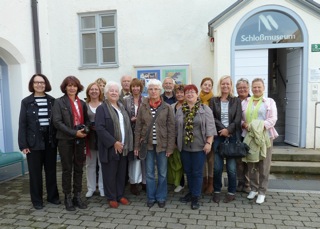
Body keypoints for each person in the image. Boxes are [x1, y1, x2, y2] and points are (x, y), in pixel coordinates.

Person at [18, 73, 60, 210]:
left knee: (51, 171)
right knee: (35, 173)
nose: (39, 85)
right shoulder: (26, 102)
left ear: (46, 84)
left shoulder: (52, 101)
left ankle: (53, 197)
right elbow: (22, 124)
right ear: (32, 85)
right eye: (36, 82)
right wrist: (23, 144)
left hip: (49, 141)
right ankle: (37, 200)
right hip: (33, 142)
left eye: (42, 82)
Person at [134, 79, 175, 208]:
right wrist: (136, 146)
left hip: (162, 145)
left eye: (156, 89)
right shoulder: (143, 106)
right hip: (148, 145)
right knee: (150, 173)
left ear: (160, 90)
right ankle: (151, 197)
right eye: (151, 89)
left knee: (162, 173)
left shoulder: (167, 107)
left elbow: (171, 128)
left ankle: (161, 197)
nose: (153, 91)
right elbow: (138, 126)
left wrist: (170, 147)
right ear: (148, 90)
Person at [176, 84, 216, 210]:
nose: (189, 94)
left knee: (197, 172)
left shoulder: (205, 109)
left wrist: (209, 143)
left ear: (197, 94)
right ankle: (191, 192)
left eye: (192, 92)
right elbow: (176, 128)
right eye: (187, 92)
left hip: (200, 147)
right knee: (188, 171)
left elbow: (210, 128)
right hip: (185, 147)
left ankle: (195, 197)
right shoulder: (180, 110)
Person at [52, 76, 89, 211]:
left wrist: (86, 129)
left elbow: (86, 120)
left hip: (80, 140)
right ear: (65, 87)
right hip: (65, 140)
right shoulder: (59, 102)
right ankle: (67, 197)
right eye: (69, 85)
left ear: (78, 88)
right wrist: (74, 133)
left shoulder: (82, 103)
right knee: (67, 169)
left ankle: (77, 196)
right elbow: (57, 122)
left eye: (74, 85)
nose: (72, 88)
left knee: (79, 168)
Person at [95, 81, 133, 208]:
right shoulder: (102, 108)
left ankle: (120, 195)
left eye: (116, 91)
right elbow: (99, 129)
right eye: (111, 91)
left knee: (121, 173)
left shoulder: (122, 107)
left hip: (123, 146)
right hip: (110, 147)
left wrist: (124, 143)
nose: (114, 93)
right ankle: (111, 197)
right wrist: (113, 142)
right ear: (106, 93)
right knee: (110, 173)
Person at [241, 78, 278, 204]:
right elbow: (241, 119)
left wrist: (257, 126)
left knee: (264, 164)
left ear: (263, 88)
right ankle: (254, 188)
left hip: (265, 136)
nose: (256, 89)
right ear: (251, 88)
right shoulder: (245, 102)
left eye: (259, 87)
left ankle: (262, 191)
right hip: (249, 137)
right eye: (254, 87)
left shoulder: (269, 102)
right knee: (252, 163)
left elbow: (273, 119)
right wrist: (245, 125)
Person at [209, 75, 242, 203]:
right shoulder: (214, 100)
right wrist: (223, 129)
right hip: (218, 137)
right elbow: (212, 118)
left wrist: (228, 130)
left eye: (228, 84)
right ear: (220, 85)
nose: (225, 86)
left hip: (232, 137)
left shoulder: (236, 101)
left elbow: (238, 119)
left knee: (231, 168)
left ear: (231, 85)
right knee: (217, 167)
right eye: (223, 84)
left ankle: (231, 191)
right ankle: (217, 190)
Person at [123, 78, 146, 195]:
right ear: (130, 88)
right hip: (130, 132)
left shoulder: (146, 100)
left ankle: (144, 182)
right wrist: (131, 119)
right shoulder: (125, 100)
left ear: (141, 88)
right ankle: (133, 183)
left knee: (144, 158)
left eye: (138, 86)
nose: (135, 88)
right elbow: (122, 115)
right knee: (134, 159)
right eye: (133, 86)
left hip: (143, 133)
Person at [85, 82, 104, 198]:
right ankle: (91, 188)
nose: (94, 91)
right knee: (90, 165)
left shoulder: (104, 104)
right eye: (91, 89)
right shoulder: (84, 105)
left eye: (96, 89)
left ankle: (102, 187)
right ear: (88, 92)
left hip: (102, 139)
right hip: (89, 138)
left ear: (100, 91)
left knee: (102, 164)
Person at [168, 84, 185, 193]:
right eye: (177, 92)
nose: (179, 94)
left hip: (185, 139)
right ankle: (179, 182)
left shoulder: (189, 105)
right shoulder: (172, 106)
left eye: (181, 92)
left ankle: (183, 183)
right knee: (176, 162)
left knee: (184, 162)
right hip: (174, 138)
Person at [235, 78, 251, 193]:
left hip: (250, 134)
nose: (242, 90)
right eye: (239, 88)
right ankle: (240, 182)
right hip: (237, 134)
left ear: (248, 88)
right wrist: (241, 123)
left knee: (249, 159)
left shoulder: (253, 100)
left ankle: (248, 183)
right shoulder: (234, 101)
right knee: (239, 160)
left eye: (244, 87)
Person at [199, 77, 214, 194]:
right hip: (199, 135)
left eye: (209, 85)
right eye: (205, 85)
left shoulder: (214, 100)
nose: (207, 87)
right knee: (202, 160)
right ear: (201, 86)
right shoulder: (197, 99)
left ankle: (210, 183)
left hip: (212, 134)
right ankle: (203, 181)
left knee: (211, 160)